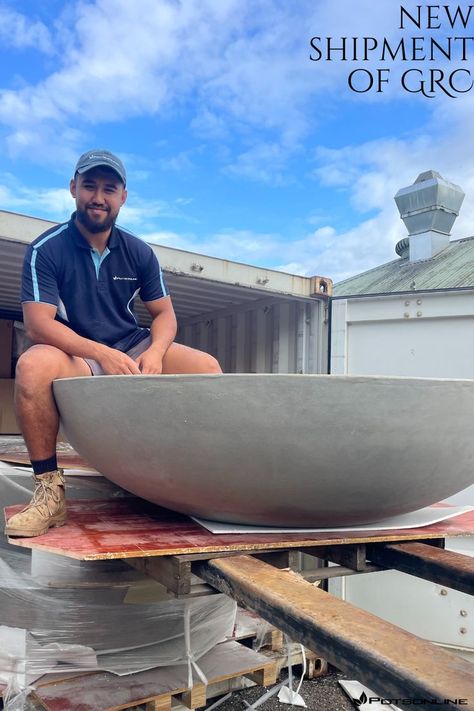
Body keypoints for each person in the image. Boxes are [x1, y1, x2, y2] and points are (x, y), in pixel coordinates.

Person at [5, 149, 222, 538]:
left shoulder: (139, 251)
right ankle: (49, 494)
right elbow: (39, 325)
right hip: (76, 353)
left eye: (109, 188)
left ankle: (196, 487)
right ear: (73, 189)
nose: (98, 197)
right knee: (32, 364)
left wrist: (154, 352)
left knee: (206, 367)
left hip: (133, 345)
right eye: (89, 186)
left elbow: (165, 314)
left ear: (123, 196)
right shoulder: (46, 249)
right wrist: (102, 352)